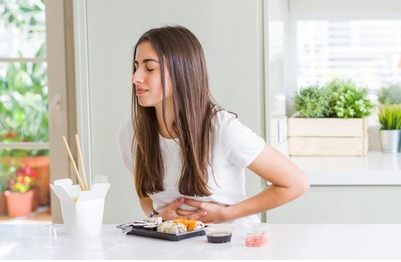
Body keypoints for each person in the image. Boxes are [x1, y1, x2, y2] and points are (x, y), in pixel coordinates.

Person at [118, 25, 309, 224]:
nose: (135, 78)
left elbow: (296, 183)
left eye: (150, 68)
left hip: (233, 243)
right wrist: (156, 217)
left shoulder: (222, 129)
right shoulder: (130, 133)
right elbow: (144, 195)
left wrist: (225, 215)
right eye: (136, 66)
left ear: (181, 72)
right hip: (175, 247)